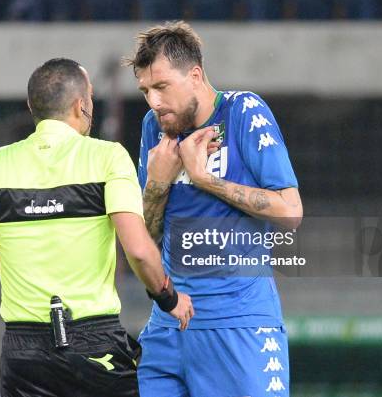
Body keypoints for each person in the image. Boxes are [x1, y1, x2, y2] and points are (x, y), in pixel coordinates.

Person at [0, 58, 194, 397]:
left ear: (32, 107)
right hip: (94, 342)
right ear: (82, 104)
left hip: (24, 351)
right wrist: (169, 298)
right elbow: (138, 250)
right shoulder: (107, 157)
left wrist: (30, 247)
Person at [124, 21, 303, 397]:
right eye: (145, 91)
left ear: (195, 75)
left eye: (161, 87)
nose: (153, 102)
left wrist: (204, 179)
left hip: (239, 325)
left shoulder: (243, 112)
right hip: (169, 325)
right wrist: (157, 183)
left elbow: (290, 212)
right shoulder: (153, 127)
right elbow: (148, 235)